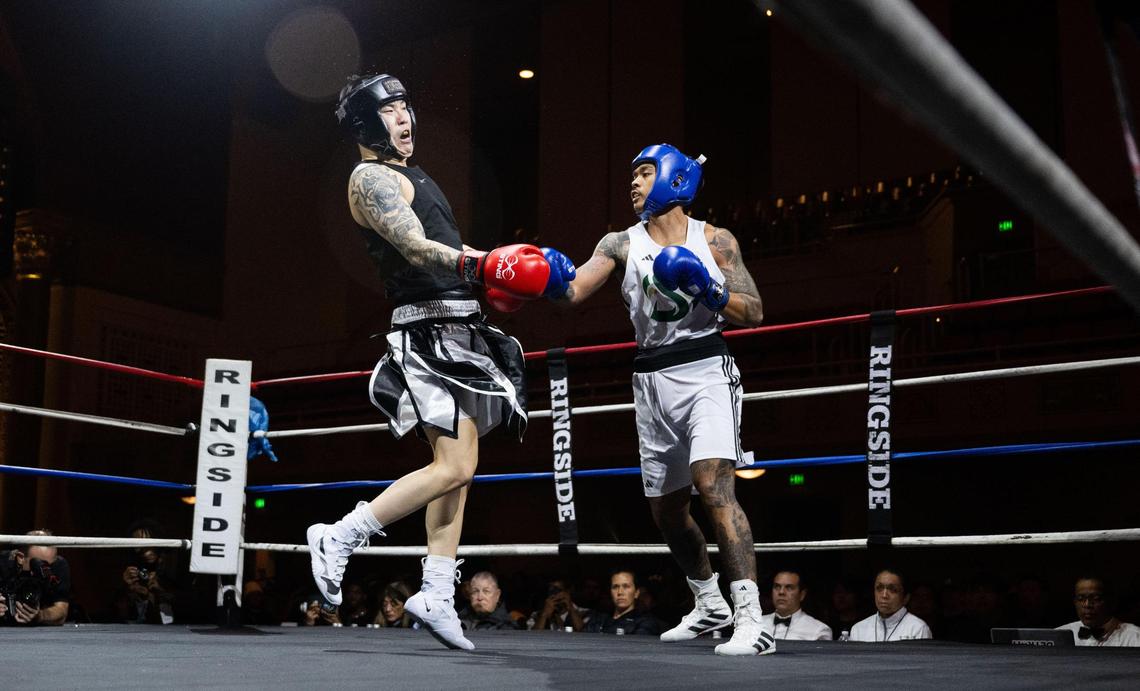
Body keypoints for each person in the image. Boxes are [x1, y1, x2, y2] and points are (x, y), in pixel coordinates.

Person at [305, 73, 574, 652]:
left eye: (407, 108)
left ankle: (434, 591)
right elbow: (414, 247)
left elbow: (448, 256)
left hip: (459, 330)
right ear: (365, 123)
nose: (406, 119)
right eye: (391, 110)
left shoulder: (413, 174)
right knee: (452, 466)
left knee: (462, 466)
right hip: (425, 335)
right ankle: (341, 535)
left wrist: (499, 273)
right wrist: (483, 265)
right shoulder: (368, 178)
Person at [545, 144, 771, 656]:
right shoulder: (619, 244)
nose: (634, 183)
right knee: (667, 512)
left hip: (707, 370)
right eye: (632, 175)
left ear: (673, 177)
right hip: (650, 380)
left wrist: (710, 293)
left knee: (714, 487)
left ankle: (753, 620)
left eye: (644, 173)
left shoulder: (714, 239)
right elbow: (573, 293)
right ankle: (709, 603)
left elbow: (753, 311)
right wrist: (543, 276)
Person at [0, 529, 70, 626]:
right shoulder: (3, 564)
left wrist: (40, 615)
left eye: (47, 567)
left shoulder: (58, 566)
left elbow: (62, 611)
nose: (44, 573)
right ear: (20, 557)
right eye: (38, 566)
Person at [121, 519, 181, 625]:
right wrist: (133, 592)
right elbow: (130, 617)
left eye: (148, 542)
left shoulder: (175, 564)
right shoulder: (137, 568)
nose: (145, 550)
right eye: (137, 545)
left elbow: (194, 604)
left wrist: (161, 591)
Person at [849, 569, 932, 642]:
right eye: (879, 588)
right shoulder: (859, 629)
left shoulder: (918, 628)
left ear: (906, 598)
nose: (884, 595)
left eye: (893, 590)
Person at [1055, 576, 1140, 647]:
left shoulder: (1135, 638)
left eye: (1096, 599)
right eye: (1081, 599)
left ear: (1111, 601)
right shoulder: (1058, 636)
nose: (1087, 605)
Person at [584, 570, 661, 635]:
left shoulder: (645, 622)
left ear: (636, 593)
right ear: (610, 592)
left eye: (626, 586)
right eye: (615, 587)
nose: (620, 592)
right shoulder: (599, 618)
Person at [761, 570, 832, 641]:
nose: (781, 592)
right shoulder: (756, 624)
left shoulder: (818, 630)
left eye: (789, 588)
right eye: (777, 587)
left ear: (802, 595)